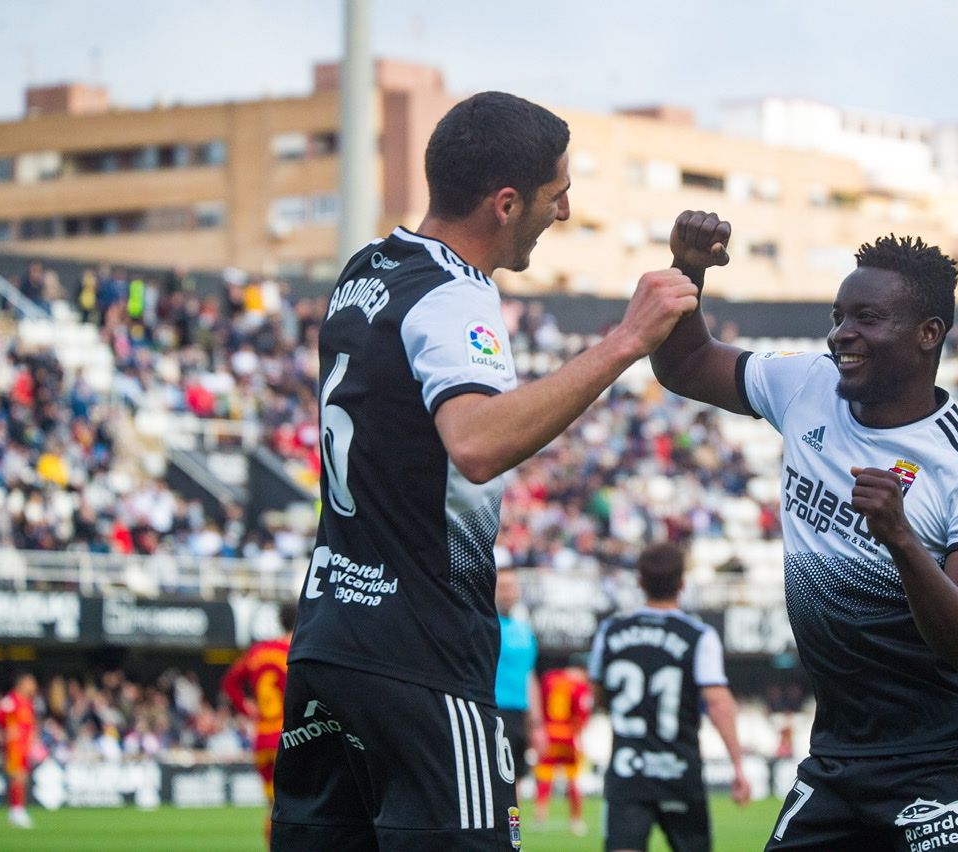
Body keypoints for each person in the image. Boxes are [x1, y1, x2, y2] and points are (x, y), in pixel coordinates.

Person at [271, 92, 699, 851]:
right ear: (506, 204)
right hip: (422, 653)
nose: (562, 212)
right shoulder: (453, 292)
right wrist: (626, 341)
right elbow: (473, 442)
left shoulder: (365, 270)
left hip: (329, 639)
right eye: (556, 195)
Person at [651, 212, 958, 850]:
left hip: (944, 756)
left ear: (928, 334)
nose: (840, 336)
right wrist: (689, 270)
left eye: (866, 320)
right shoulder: (808, 385)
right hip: (838, 756)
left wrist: (902, 539)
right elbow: (685, 365)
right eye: (838, 316)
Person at [589, 541, 751, 852]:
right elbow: (718, 703)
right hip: (679, 770)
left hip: (627, 771)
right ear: (682, 584)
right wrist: (738, 766)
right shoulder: (699, 636)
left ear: (639, 582)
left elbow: (599, 694)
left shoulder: (610, 631)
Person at [222, 601, 297, 841]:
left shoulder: (258, 651)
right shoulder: (296, 650)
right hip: (290, 736)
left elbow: (229, 683)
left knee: (271, 805)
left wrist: (247, 708)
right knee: (299, 802)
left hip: (262, 736)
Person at [493, 567, 545, 792]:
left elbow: (529, 677)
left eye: (512, 587)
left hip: (518, 718)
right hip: (491, 714)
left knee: (515, 784)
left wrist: (537, 725)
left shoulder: (525, 631)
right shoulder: (486, 627)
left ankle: (513, 829)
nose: (508, 593)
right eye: (503, 588)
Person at [534, 659, 593, 835]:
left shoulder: (549, 678)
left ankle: (540, 817)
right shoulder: (580, 686)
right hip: (569, 736)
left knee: (545, 777)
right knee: (573, 779)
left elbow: (540, 704)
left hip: (549, 733)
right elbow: (582, 712)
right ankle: (576, 820)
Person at [0, 672, 38, 829]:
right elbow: (1, 718)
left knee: (22, 778)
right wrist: (4, 733)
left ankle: (16, 811)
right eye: (30, 682)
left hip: (24, 747)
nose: (33, 686)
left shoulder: (27, 702)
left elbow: (30, 725)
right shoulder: (11, 700)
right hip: (14, 747)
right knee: (18, 777)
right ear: (22, 683)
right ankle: (17, 811)